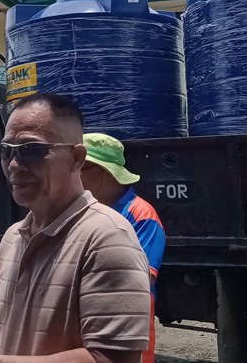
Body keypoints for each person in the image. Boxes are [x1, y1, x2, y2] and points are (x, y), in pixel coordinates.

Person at [0, 93, 151, 363]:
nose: (14, 165)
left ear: (76, 158)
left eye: (31, 150)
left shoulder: (108, 239)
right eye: (6, 151)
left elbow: (111, 358)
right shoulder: (13, 237)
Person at [80, 133, 166, 363]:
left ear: (105, 173)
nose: (75, 176)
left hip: (127, 326)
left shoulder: (141, 215)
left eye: (83, 168)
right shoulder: (83, 212)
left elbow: (142, 279)